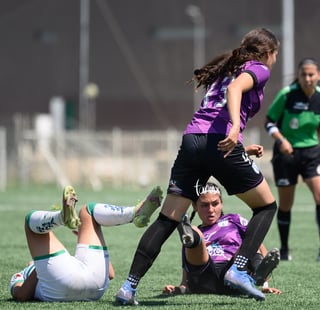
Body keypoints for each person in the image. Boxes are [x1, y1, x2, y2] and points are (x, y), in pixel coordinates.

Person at [115, 27, 280, 305]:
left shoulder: (227, 67)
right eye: (276, 54)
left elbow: (215, 111)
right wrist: (235, 129)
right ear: (267, 53)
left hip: (193, 141)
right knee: (266, 207)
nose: (275, 59)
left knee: (168, 219)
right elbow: (235, 90)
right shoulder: (258, 68)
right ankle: (239, 269)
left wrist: (240, 143)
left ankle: (128, 287)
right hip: (218, 144)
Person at [9, 185, 162, 302]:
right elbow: (21, 295)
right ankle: (62, 218)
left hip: (90, 287)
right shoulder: (22, 274)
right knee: (31, 222)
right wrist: (38, 267)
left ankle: (135, 213)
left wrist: (84, 235)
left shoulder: (61, 264)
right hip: (83, 285)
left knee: (86, 212)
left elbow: (110, 274)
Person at [264, 57, 320, 262]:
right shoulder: (287, 94)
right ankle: (284, 250)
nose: (308, 78)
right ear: (299, 76)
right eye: (304, 74)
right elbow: (269, 122)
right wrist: (281, 140)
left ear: (319, 75)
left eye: (311, 74)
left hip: (311, 153)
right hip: (286, 156)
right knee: (286, 204)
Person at [162, 182, 281, 297]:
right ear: (194, 206)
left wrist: (265, 285)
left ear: (221, 203)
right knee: (193, 233)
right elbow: (186, 278)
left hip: (234, 275)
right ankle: (190, 234)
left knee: (249, 246)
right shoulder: (191, 234)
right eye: (204, 205)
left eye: (215, 204)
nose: (210, 210)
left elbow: (259, 246)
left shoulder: (234, 220)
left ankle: (257, 275)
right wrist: (180, 288)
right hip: (204, 279)